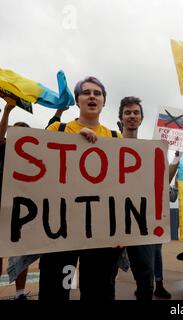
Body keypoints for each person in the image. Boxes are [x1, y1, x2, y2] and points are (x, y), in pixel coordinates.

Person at [39, 76, 123, 301]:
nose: (92, 96)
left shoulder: (116, 137)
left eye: (98, 93)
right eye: (86, 93)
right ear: (77, 101)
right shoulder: (58, 129)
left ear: (104, 102)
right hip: (60, 228)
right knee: (56, 289)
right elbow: (39, 166)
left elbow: (124, 185)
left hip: (100, 231)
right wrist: (75, 144)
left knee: (97, 291)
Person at [117, 96, 183, 300]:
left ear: (141, 119)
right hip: (112, 223)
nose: (132, 116)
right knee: (105, 280)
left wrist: (177, 155)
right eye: (128, 112)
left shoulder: (151, 150)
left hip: (141, 222)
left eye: (136, 113)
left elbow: (164, 179)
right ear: (121, 118)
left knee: (146, 279)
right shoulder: (109, 143)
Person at [0, 98, 31, 300]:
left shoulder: (32, 156)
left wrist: (60, 114)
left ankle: (20, 293)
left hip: (22, 210)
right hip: (2, 207)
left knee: (21, 254)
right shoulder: (3, 149)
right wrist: (7, 111)